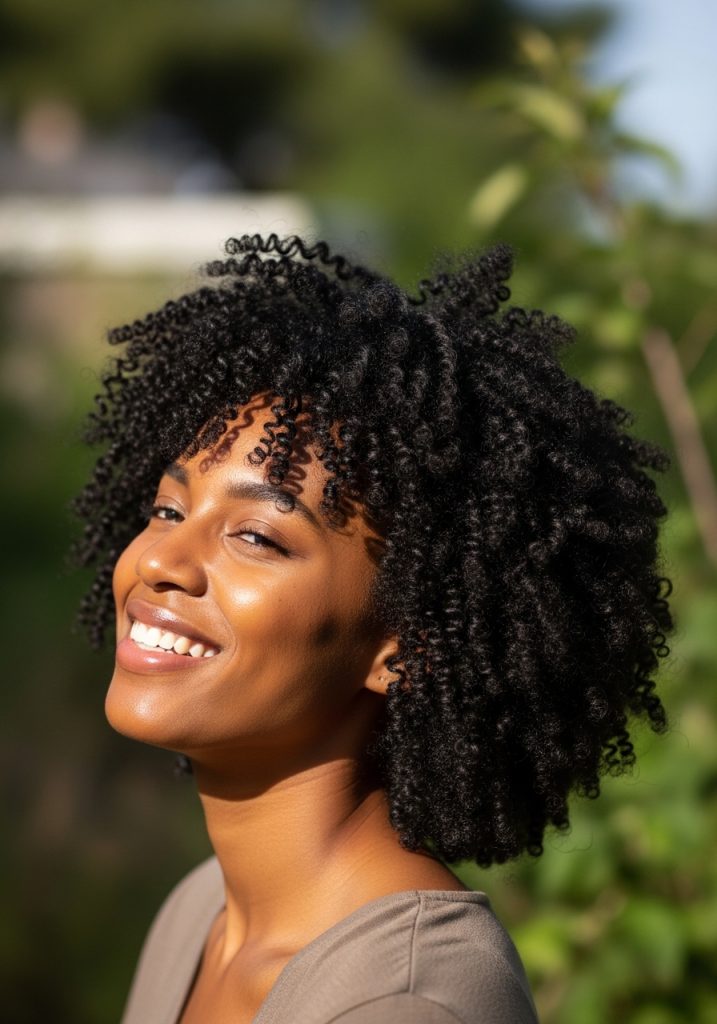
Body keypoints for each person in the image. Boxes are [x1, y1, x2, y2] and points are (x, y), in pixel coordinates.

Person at [69, 233, 674, 1023]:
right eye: (168, 509)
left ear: (406, 646)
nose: (159, 561)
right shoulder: (199, 914)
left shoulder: (407, 1001)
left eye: (256, 536)